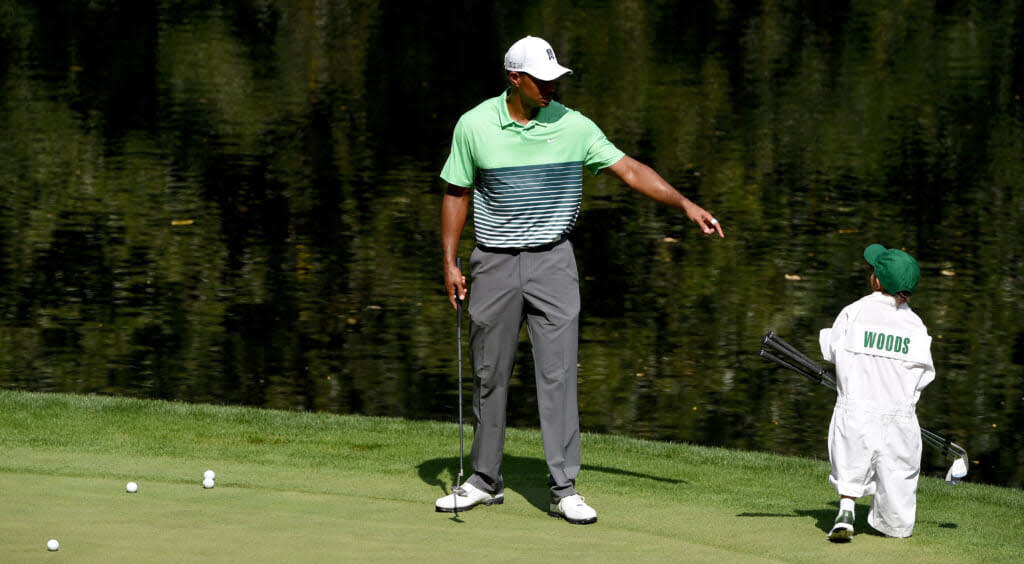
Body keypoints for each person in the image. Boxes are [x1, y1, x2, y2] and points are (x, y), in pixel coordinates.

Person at [434, 35, 724, 525]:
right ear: (514, 79)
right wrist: (450, 261)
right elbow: (456, 192)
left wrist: (685, 205)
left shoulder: (574, 125)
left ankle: (563, 487)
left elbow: (629, 170)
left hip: (554, 263)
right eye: (542, 80)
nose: (551, 87)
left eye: (556, 79)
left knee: (559, 375)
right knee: (489, 375)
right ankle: (484, 480)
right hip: (494, 263)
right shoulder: (474, 125)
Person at [818, 244, 935, 541]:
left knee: (850, 461)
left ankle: (846, 510)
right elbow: (924, 375)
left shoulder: (854, 311)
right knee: (898, 474)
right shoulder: (916, 326)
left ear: (877, 281)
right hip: (900, 416)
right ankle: (894, 527)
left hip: (856, 407)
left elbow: (832, 350)